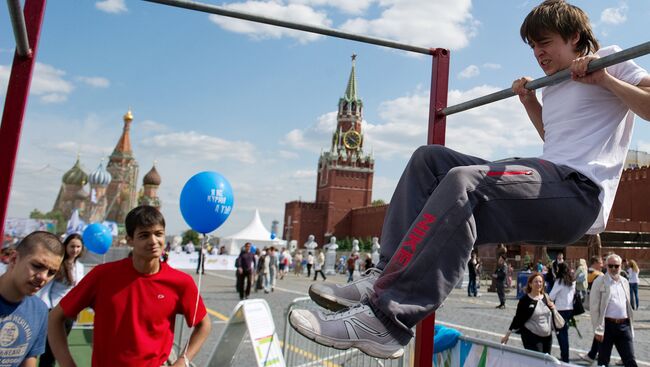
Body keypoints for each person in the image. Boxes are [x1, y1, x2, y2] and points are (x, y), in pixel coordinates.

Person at [288, 0, 650, 359]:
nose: (538, 53)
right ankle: (382, 275)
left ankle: (387, 321)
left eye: (546, 43)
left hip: (580, 195)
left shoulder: (610, 59)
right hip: (550, 177)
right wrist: (530, 103)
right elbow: (557, 142)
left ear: (574, 36)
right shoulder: (555, 81)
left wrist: (603, 77)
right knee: (428, 160)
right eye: (533, 46)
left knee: (466, 182)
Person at [48, 206, 211, 367]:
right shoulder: (102, 276)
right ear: (130, 240)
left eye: (158, 234)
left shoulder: (181, 282)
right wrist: (67, 364)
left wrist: (183, 360)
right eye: (144, 235)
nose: (153, 241)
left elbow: (204, 325)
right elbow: (55, 317)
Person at [0, 232, 63, 366]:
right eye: (37, 266)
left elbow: (29, 359)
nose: (43, 277)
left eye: (51, 272)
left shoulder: (40, 310)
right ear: (14, 259)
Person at [37, 233, 85, 367]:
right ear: (66, 246)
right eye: (72, 246)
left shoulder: (79, 267)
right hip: (53, 312)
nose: (75, 250)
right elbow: (45, 289)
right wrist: (48, 310)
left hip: (69, 314)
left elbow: (78, 291)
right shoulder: (57, 264)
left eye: (78, 247)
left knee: (58, 350)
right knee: (48, 350)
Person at [589, 254, 637, 367]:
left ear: (621, 266)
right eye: (611, 266)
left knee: (630, 359)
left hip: (624, 326)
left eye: (616, 266)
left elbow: (627, 304)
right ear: (606, 266)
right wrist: (598, 329)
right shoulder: (599, 281)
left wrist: (630, 325)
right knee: (603, 361)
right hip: (607, 326)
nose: (614, 269)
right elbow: (594, 308)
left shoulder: (625, 281)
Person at [501, 272, 554, 353]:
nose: (538, 284)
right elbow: (517, 318)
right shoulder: (525, 300)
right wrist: (507, 336)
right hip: (531, 336)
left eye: (540, 282)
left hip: (547, 337)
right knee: (537, 361)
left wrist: (553, 308)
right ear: (530, 284)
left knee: (546, 361)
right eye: (536, 282)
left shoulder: (546, 297)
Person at [580, 255, 606, 364]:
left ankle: (593, 354)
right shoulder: (598, 275)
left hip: (593, 302)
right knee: (602, 330)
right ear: (595, 262)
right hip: (600, 304)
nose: (602, 264)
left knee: (601, 330)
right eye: (600, 262)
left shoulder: (588, 272)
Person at [548, 262, 575, 362]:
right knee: (565, 333)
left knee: (561, 335)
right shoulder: (572, 280)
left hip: (560, 310)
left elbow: (551, 296)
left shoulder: (559, 281)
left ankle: (565, 357)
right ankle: (565, 355)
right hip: (570, 309)